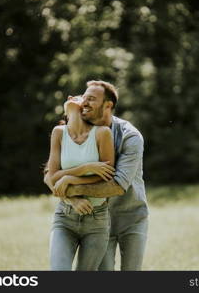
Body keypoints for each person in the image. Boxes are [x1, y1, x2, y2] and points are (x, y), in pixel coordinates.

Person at [60, 80, 149, 271]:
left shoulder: (130, 137)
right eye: (83, 98)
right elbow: (51, 174)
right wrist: (71, 198)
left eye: (91, 99)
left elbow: (117, 185)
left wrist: (71, 188)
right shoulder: (76, 131)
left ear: (108, 106)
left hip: (132, 218)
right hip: (98, 221)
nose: (84, 102)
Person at [43, 94, 123, 270]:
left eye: (78, 97)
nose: (70, 97)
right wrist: (83, 169)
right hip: (65, 216)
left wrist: (70, 179)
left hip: (96, 219)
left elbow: (106, 176)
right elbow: (53, 176)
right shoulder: (58, 133)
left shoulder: (102, 133)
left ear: (85, 110)